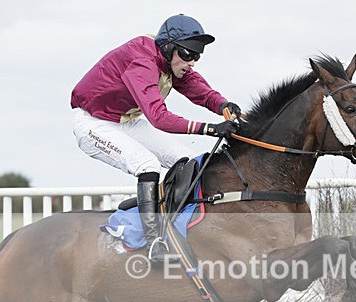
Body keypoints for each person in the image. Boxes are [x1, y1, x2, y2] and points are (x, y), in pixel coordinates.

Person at [71, 14, 242, 262]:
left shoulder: (169, 60)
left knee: (186, 161)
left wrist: (223, 104)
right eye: (187, 54)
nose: (191, 61)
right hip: (93, 123)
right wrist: (210, 128)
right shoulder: (142, 61)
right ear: (168, 47)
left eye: (196, 56)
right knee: (147, 165)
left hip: (125, 120)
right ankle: (153, 244)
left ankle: (172, 229)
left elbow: (197, 88)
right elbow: (159, 118)